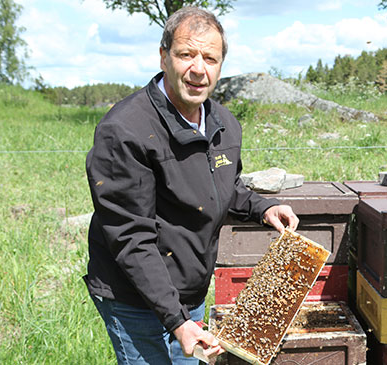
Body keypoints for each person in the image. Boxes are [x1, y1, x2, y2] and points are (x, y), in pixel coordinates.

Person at [84, 7, 299, 364]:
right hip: (133, 295)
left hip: (190, 290)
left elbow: (222, 187)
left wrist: (263, 208)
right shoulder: (125, 130)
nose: (199, 69)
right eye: (187, 54)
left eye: (210, 58)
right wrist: (178, 322)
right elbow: (130, 238)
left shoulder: (224, 123)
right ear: (164, 56)